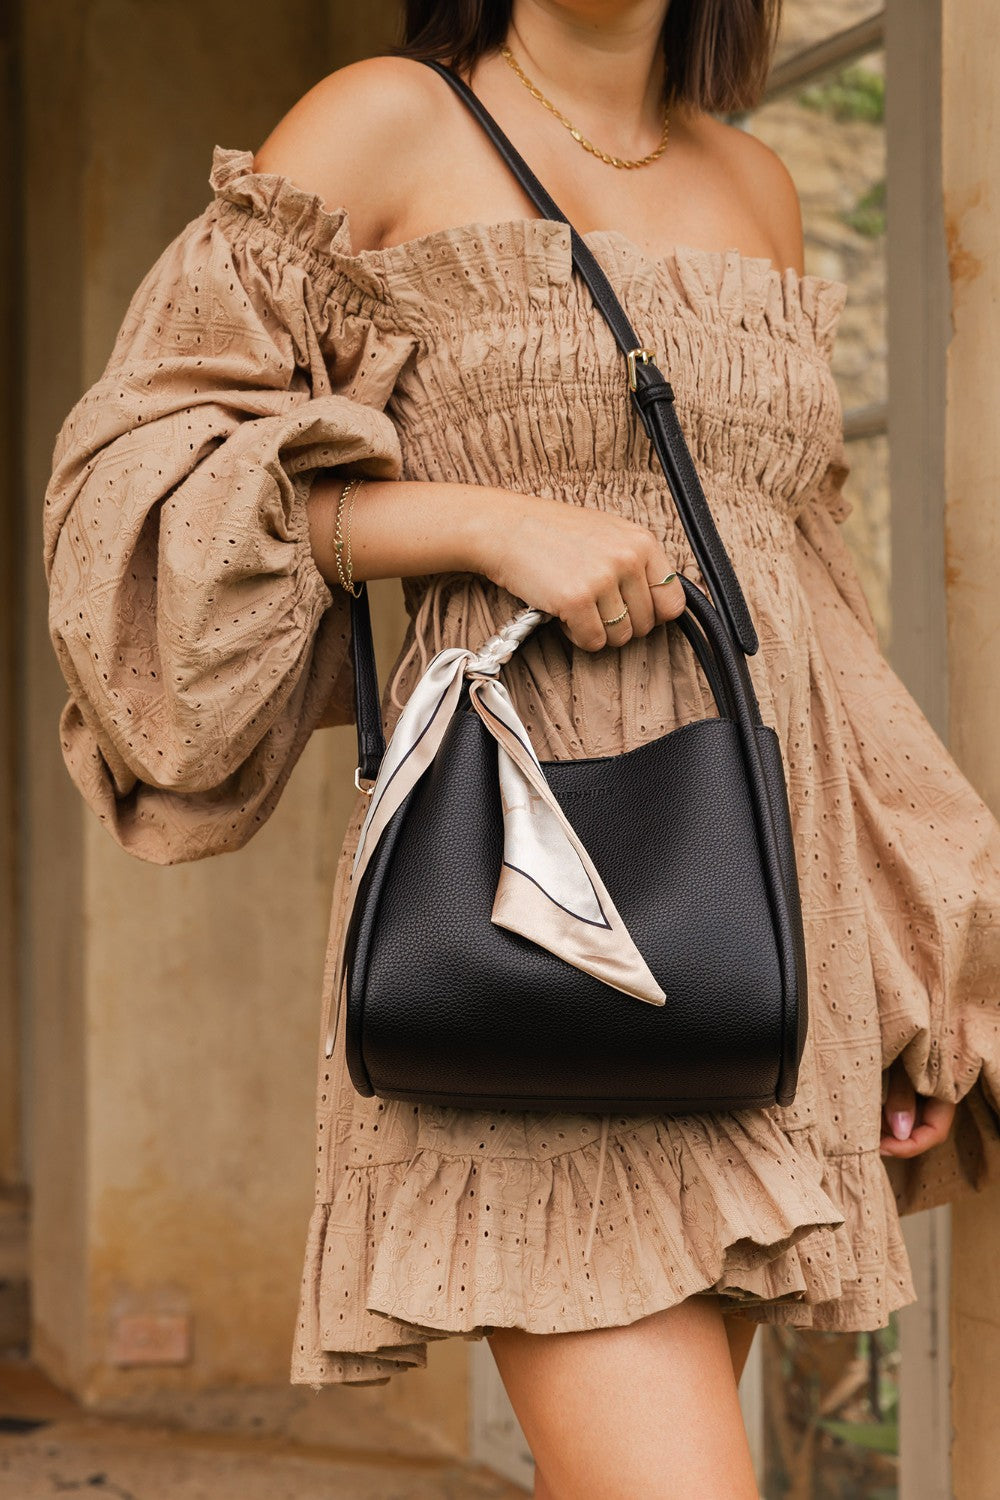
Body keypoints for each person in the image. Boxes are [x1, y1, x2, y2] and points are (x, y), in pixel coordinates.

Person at [41, 2, 1000, 1496]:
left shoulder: (759, 183)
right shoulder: (383, 123)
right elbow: (138, 487)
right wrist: (479, 522)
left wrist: (908, 966)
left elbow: (813, 612)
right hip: (537, 907)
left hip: (758, 922)